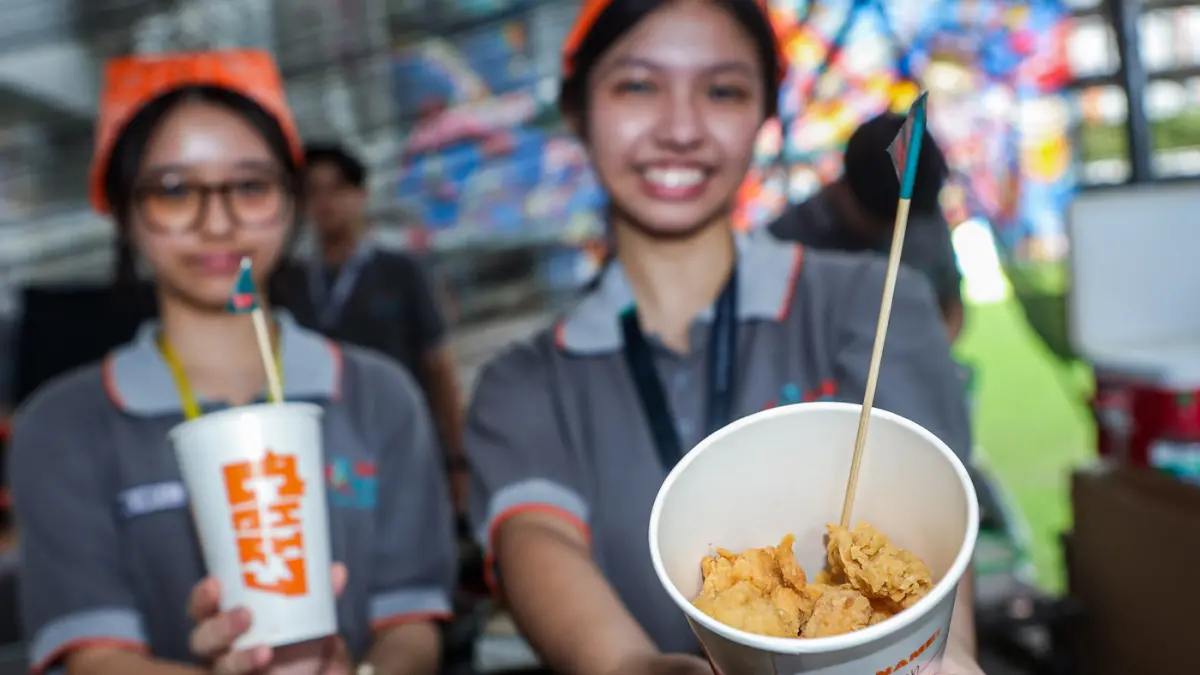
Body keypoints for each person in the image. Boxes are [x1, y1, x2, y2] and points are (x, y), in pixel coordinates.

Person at [464, 1, 985, 674]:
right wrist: (631, 666)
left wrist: (952, 653)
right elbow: (536, 536)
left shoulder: (871, 303)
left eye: (722, 90)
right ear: (577, 111)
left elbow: (929, 497)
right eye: (638, 85)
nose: (681, 127)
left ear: (764, 114)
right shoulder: (526, 381)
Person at [8, 51, 454, 675]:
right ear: (123, 210)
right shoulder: (61, 427)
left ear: (291, 201)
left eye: (249, 186)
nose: (217, 222)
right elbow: (95, 656)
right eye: (172, 191)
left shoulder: (378, 395)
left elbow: (410, 623)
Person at [286, 143, 469, 516]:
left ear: (360, 195)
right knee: (355, 551)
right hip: (331, 458)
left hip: (406, 444)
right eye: (312, 192)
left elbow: (439, 365)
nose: (325, 203)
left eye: (336, 188)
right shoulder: (290, 285)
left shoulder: (399, 271)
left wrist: (457, 460)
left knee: (417, 545)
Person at [770, 113, 966, 342]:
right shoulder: (785, 245)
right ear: (845, 190)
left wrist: (931, 352)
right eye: (884, 223)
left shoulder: (921, 213)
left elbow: (950, 304)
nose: (895, 232)